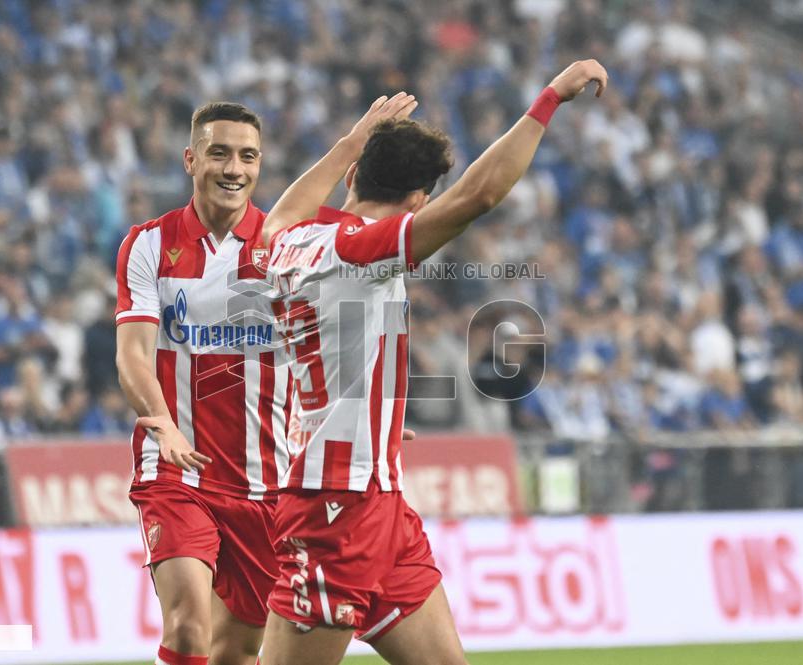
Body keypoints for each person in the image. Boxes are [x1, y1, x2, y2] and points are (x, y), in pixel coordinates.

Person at [258, 60, 608, 665]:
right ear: (420, 201)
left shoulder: (287, 239)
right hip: (333, 505)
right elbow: (482, 194)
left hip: (380, 499)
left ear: (351, 180)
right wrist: (550, 97)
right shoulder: (360, 251)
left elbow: (287, 209)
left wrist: (350, 141)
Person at [115, 97, 416, 665]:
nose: (234, 168)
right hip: (178, 473)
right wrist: (163, 428)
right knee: (186, 630)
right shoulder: (150, 245)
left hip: (269, 484)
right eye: (219, 153)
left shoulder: (285, 244)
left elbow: (336, 342)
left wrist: (374, 414)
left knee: (237, 650)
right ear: (190, 159)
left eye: (248, 157)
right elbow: (132, 353)